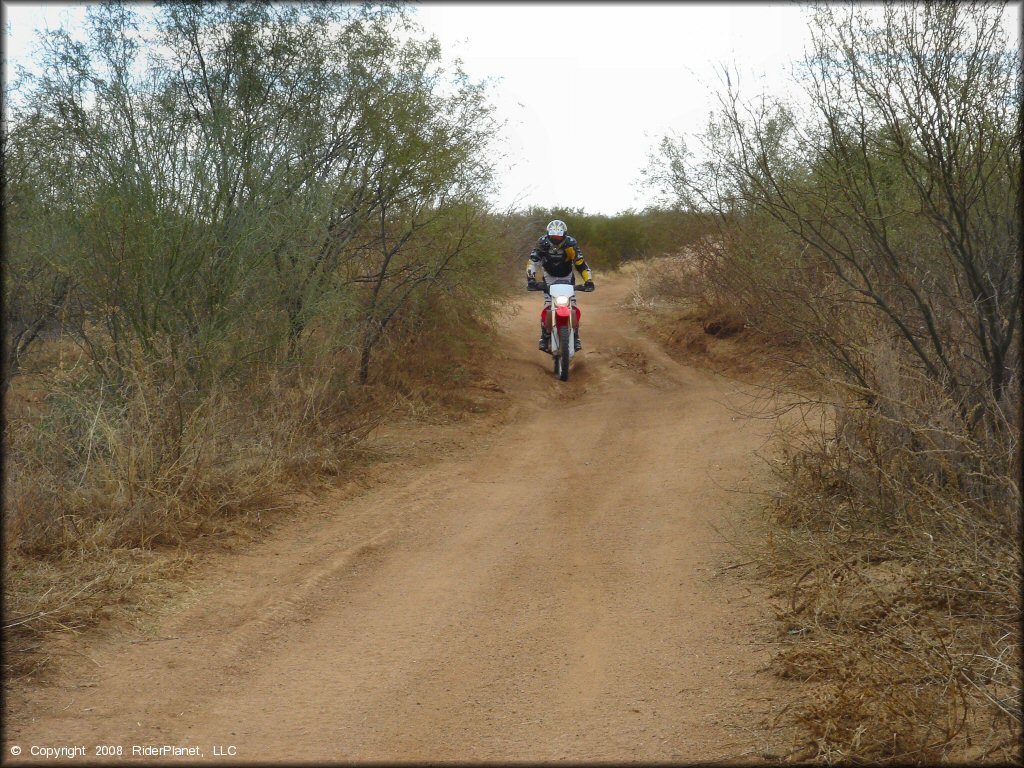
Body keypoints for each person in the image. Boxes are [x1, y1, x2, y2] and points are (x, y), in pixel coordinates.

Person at [526, 219, 595, 352]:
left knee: (572, 306)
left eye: (558, 236)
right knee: (547, 305)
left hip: (567, 277)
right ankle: (544, 336)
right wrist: (531, 279)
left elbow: (580, 263)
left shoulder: (570, 244)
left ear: (564, 235)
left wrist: (589, 281)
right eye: (553, 236)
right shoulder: (543, 243)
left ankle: (575, 336)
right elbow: (533, 261)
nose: (556, 239)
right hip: (549, 276)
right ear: (548, 234)